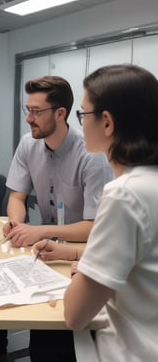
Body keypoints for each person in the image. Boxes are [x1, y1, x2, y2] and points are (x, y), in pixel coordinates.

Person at [0, 75, 112, 362]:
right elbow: (16, 197)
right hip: (48, 250)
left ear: (60, 113)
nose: (28, 118)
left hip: (82, 255)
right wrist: (17, 222)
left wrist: (39, 231)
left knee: (56, 337)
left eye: (36, 111)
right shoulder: (29, 144)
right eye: (27, 109)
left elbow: (95, 228)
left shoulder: (91, 156)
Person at [35, 64, 158, 361]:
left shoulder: (124, 194)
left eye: (83, 113)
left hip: (130, 348)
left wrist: (82, 278)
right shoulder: (148, 183)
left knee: (46, 338)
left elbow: (75, 314)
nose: (80, 124)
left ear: (107, 122)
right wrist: (77, 256)